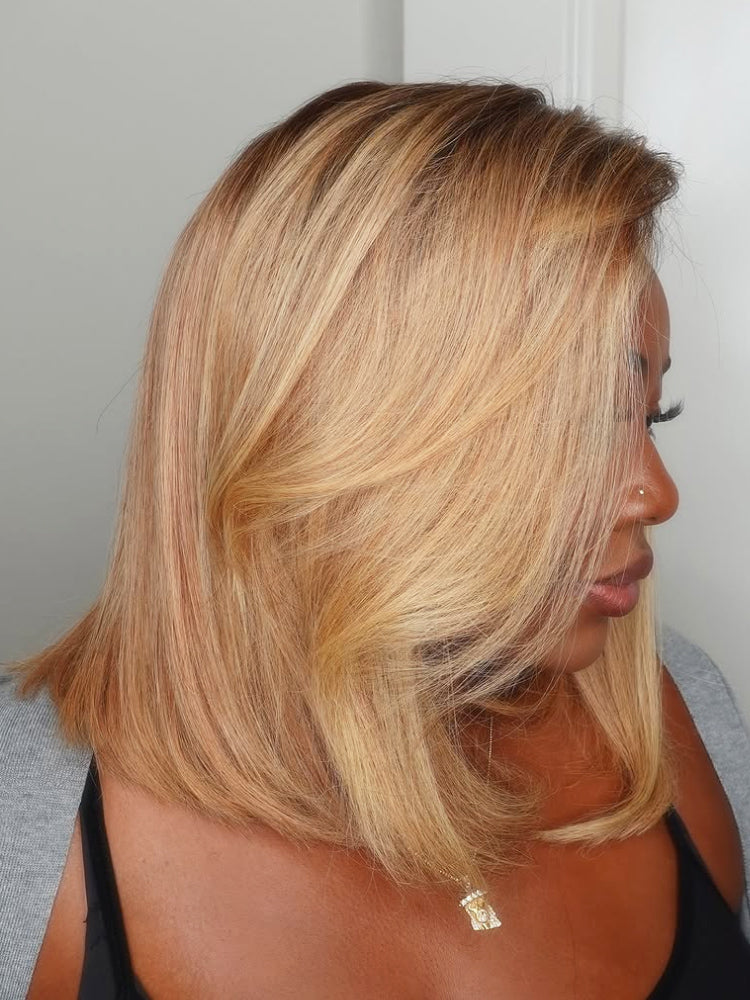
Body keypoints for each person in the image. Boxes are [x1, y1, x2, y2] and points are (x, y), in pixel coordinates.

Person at [2, 80, 750, 999]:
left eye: (651, 416)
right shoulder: (26, 818)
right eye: (579, 422)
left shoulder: (679, 714)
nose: (658, 494)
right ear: (337, 429)